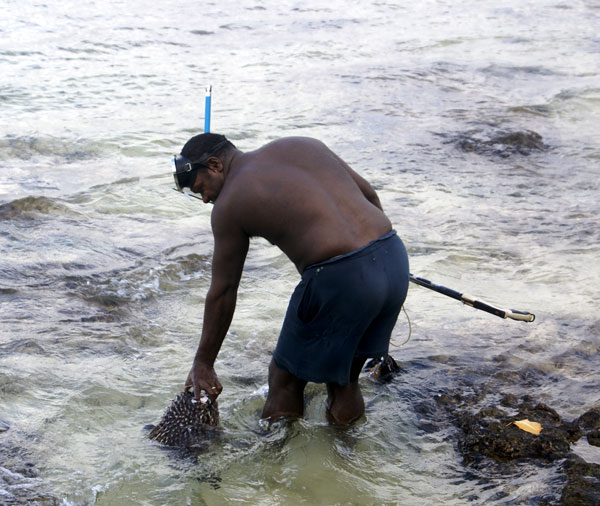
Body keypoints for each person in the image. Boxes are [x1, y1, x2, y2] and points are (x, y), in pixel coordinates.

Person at [174, 133, 409, 425]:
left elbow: (223, 290)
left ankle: (274, 464)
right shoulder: (301, 144)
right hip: (392, 256)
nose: (205, 199)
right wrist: (376, 265)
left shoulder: (228, 206)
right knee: (345, 379)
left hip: (342, 278)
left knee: (284, 378)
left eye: (201, 188)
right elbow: (370, 196)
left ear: (214, 165)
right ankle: (346, 456)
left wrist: (203, 362)